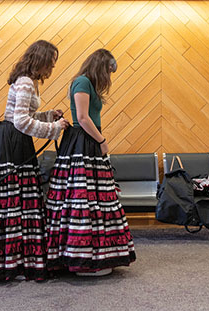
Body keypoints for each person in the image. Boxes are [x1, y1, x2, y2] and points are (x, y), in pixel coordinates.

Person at [0, 40, 69, 281]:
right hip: (13, 142)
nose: (52, 67)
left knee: (12, 200)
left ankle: (10, 259)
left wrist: (47, 116)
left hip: (14, 140)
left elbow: (25, 115)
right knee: (14, 200)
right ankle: (15, 260)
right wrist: (54, 127)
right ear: (41, 60)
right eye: (51, 63)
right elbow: (21, 122)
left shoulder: (28, 81)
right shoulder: (26, 82)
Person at [45, 49, 136, 276]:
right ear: (100, 66)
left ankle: (98, 254)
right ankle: (82, 256)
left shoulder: (87, 83)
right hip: (82, 144)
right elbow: (83, 118)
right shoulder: (82, 82)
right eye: (108, 70)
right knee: (83, 199)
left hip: (87, 143)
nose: (108, 76)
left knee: (94, 199)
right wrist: (102, 140)